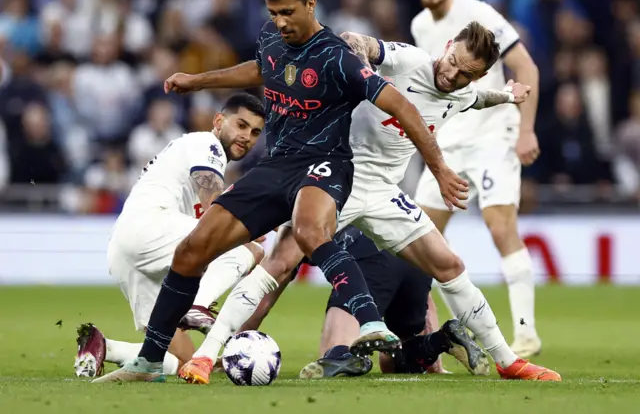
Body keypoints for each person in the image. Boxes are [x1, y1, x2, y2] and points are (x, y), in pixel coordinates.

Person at [95, 0, 468, 384]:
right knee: (191, 251)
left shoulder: (337, 57)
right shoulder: (272, 39)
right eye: (273, 13)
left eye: (288, 12)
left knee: (310, 231)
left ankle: (369, 322)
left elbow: (400, 105)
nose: (281, 21)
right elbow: (260, 69)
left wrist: (438, 169)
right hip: (278, 164)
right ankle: (148, 362)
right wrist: (198, 82)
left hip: (327, 164)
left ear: (311, 4)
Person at [178, 27, 560, 383]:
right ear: (446, 48)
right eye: (453, 62)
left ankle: (508, 361)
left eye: (464, 73)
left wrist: (509, 95)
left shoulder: (461, 92)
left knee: (450, 265)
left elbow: (477, 100)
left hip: (381, 191)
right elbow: (355, 41)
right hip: (335, 176)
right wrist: (360, 62)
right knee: (278, 262)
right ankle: (206, 356)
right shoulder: (409, 60)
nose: (451, 75)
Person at [411, 0, 542, 357]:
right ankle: (456, 332)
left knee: (499, 226)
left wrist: (526, 130)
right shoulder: (419, 25)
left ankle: (525, 332)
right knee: (422, 239)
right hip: (447, 141)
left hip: (491, 133)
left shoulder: (479, 14)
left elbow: (526, 67)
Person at [77, 93, 266, 378]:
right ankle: (199, 305)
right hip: (152, 225)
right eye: (241, 125)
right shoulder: (207, 143)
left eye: (254, 132)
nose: (247, 137)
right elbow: (215, 202)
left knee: (183, 360)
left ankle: (105, 346)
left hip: (125, 248)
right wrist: (253, 224)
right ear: (218, 121)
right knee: (250, 249)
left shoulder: (189, 148)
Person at [234, 226, 491, 379]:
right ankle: (443, 339)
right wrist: (434, 360)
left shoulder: (300, 218)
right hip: (413, 263)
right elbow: (426, 298)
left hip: (369, 262)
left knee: (334, 356)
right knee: (394, 364)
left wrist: (234, 344)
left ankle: (355, 358)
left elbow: (266, 296)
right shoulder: (344, 191)